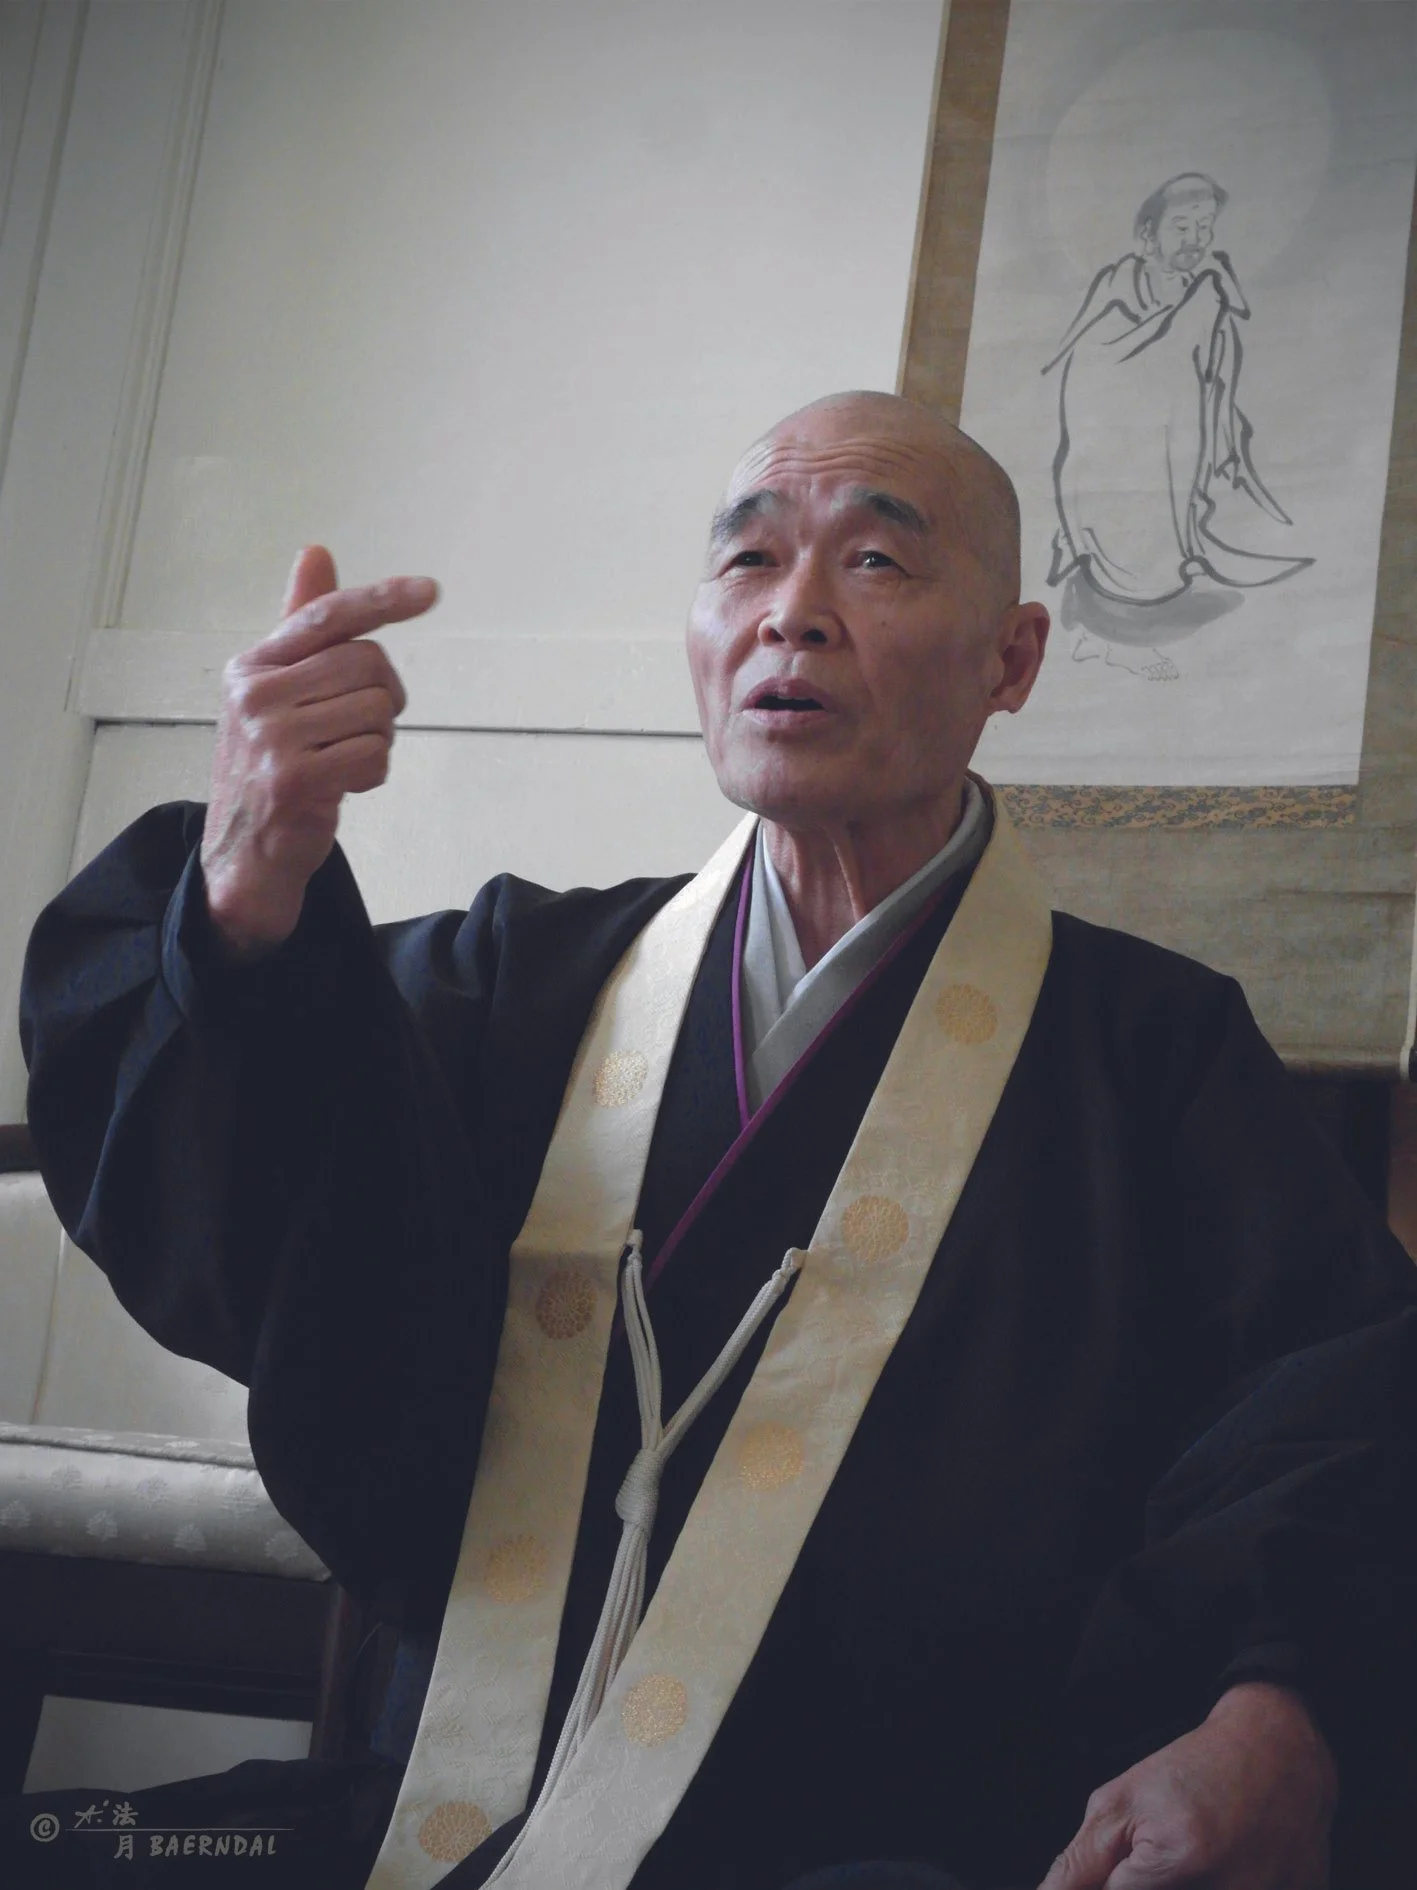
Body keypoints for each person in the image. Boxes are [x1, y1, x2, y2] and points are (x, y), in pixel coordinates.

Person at [10, 392, 1417, 1890]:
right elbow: (256, 1199)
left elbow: (1336, 1411)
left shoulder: (1154, 1057)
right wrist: (246, 875)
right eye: (746, 563)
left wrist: (1284, 1707)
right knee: (74, 1850)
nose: (791, 616)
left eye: (875, 563)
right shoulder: (519, 982)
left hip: (900, 1845)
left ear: (1012, 659)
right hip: (442, 1807)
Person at [1044, 174, 1311, 679]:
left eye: (1205, 228)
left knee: (1162, 540)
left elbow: (1216, 369)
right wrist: (1188, 323)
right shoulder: (1120, 285)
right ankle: (1116, 643)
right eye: (1183, 226)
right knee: (1120, 538)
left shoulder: (1204, 288)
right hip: (1117, 449)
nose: (1196, 240)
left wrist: (1224, 436)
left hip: (1174, 446)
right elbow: (1094, 362)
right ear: (1148, 234)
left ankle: (1117, 633)